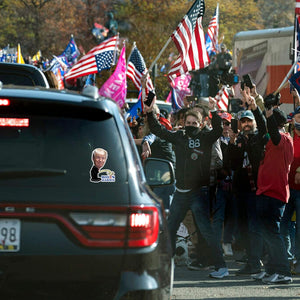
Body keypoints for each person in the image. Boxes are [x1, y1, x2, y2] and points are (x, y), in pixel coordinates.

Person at [144, 93, 229, 279]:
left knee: (206, 231)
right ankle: (165, 265)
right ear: (183, 123)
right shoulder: (179, 136)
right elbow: (158, 130)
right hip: (180, 193)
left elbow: (217, 130)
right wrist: (150, 113)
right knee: (169, 229)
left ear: (200, 124)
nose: (190, 125)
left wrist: (214, 110)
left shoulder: (206, 138)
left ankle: (221, 267)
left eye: (194, 123)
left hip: (198, 192)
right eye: (188, 122)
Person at [228, 87, 267, 275]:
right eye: (243, 122)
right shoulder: (239, 141)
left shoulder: (258, 139)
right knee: (243, 229)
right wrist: (233, 143)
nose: (246, 125)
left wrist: (255, 108)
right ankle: (250, 261)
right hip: (240, 191)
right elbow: (232, 165)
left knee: (255, 228)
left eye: (248, 122)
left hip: (256, 190)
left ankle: (256, 262)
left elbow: (264, 127)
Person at [254, 106, 294, 284]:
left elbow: (271, 131)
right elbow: (264, 128)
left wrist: (268, 114)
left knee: (273, 233)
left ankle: (283, 271)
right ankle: (271, 269)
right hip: (264, 191)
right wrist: (255, 107)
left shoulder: (283, 139)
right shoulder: (272, 138)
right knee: (266, 234)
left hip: (275, 193)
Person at [280, 106, 300, 275]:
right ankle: (285, 260)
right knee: (282, 225)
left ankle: (298, 262)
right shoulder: (288, 136)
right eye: (298, 117)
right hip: (286, 188)